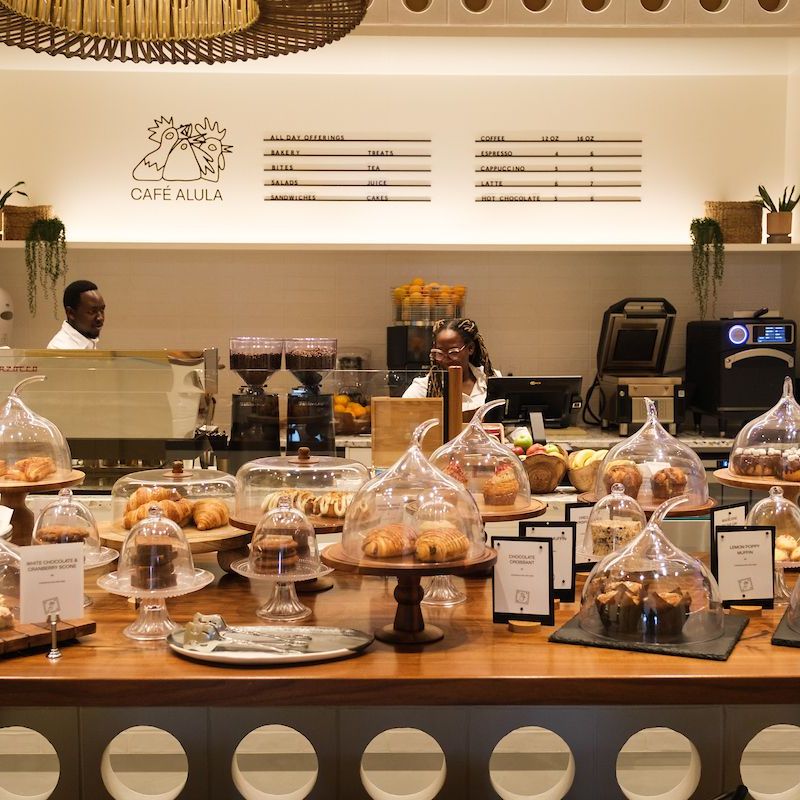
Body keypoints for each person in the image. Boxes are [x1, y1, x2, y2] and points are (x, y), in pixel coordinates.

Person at [402, 317, 500, 411]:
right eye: (439, 353)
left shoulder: (491, 379)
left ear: (470, 348)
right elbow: (400, 415)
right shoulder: (424, 387)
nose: (445, 359)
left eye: (453, 352)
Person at [47, 280, 105, 349]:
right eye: (92, 311)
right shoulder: (59, 348)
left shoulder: (89, 341)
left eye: (102, 310)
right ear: (71, 313)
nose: (100, 318)